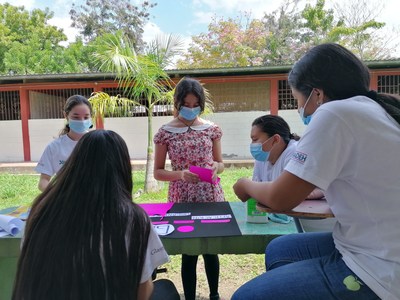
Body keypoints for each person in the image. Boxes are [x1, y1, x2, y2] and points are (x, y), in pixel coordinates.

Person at [232, 43, 400, 299]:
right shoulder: (379, 110)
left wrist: (244, 184)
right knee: (280, 249)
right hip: (365, 242)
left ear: (318, 94)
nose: (301, 110)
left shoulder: (335, 112)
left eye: (299, 101)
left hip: (380, 268)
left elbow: (280, 198)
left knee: (246, 297)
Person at [13, 130, 177, 300]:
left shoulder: (42, 211)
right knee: (166, 289)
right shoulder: (132, 218)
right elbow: (142, 291)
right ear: (122, 168)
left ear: (74, 163)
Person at [154, 77, 224, 300]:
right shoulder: (165, 132)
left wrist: (216, 167)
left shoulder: (211, 129)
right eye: (187, 104)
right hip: (181, 196)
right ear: (177, 103)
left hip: (209, 194)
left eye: (196, 105)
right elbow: (157, 171)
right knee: (189, 252)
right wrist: (180, 175)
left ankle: (214, 294)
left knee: (211, 249)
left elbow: (220, 163)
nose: (191, 109)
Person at [35, 95, 93, 191]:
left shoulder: (98, 144)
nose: (82, 121)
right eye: (76, 117)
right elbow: (43, 181)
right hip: (66, 201)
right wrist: (58, 195)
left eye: (86, 117)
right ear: (66, 116)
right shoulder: (54, 147)